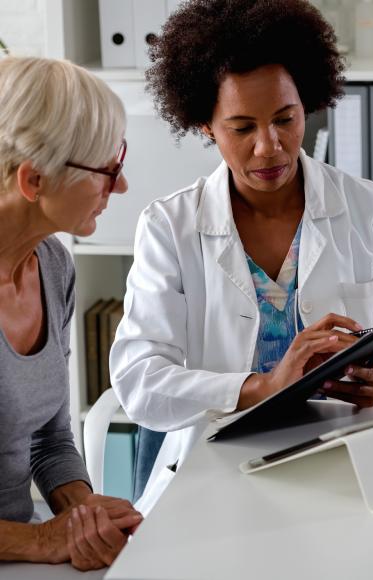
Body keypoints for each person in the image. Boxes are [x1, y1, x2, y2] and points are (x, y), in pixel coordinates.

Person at [110, 0, 373, 495]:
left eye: (285, 119)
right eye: (242, 128)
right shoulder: (169, 227)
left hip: (347, 466)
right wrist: (260, 387)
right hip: (213, 475)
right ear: (205, 125)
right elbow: (139, 382)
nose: (269, 146)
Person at [0, 56, 142, 571]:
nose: (120, 186)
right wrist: (41, 542)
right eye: (106, 170)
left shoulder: (53, 265)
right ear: (34, 181)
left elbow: (48, 438)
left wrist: (85, 512)